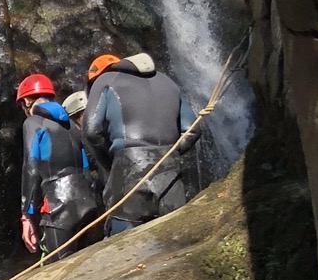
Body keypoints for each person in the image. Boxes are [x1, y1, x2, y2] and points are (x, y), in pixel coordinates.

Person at [82, 50, 197, 233]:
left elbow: (91, 130)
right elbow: (193, 130)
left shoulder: (104, 80)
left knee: (123, 240)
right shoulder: (168, 82)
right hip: (171, 174)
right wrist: (168, 153)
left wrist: (112, 162)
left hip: (128, 173)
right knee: (176, 238)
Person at [15, 72, 100, 256]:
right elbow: (86, 168)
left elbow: (30, 168)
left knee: (59, 266)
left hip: (58, 207)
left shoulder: (33, 123)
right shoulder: (72, 126)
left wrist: (26, 215)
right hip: (87, 203)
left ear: (27, 101)